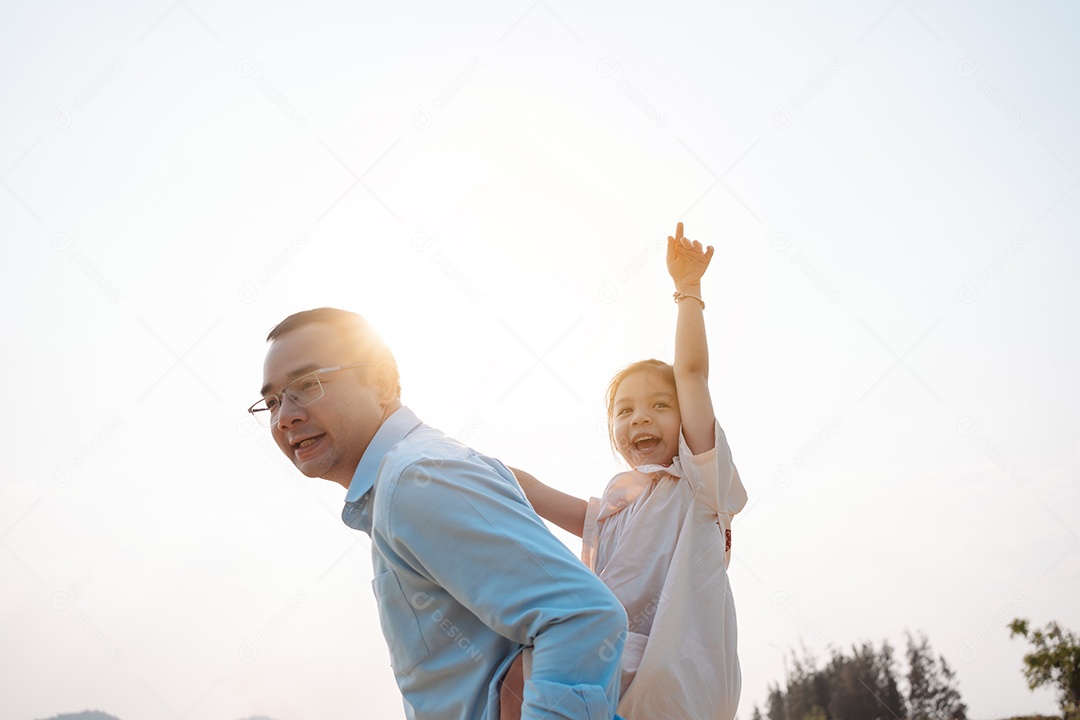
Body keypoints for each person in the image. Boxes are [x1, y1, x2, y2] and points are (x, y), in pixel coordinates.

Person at [249, 308, 628, 720]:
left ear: (378, 381)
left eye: (309, 384)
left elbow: (583, 617)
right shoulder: (403, 482)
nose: (285, 416)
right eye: (272, 401)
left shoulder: (415, 479)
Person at [506, 222, 749, 719]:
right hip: (616, 674)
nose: (640, 416)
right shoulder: (614, 514)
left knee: (529, 668)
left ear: (686, 419)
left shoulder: (699, 485)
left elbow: (692, 373)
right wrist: (453, 464)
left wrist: (688, 291)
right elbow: (533, 491)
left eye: (661, 404)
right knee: (512, 672)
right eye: (624, 410)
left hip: (678, 674)